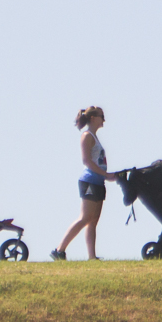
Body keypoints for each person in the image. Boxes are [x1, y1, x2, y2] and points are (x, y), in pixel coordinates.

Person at [52, 106, 115, 260]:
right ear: (93, 118)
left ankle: (92, 256)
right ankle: (59, 250)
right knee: (85, 217)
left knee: (93, 221)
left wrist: (107, 176)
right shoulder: (87, 136)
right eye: (101, 116)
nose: (104, 119)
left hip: (99, 182)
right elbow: (86, 161)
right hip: (90, 181)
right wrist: (105, 174)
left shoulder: (95, 137)